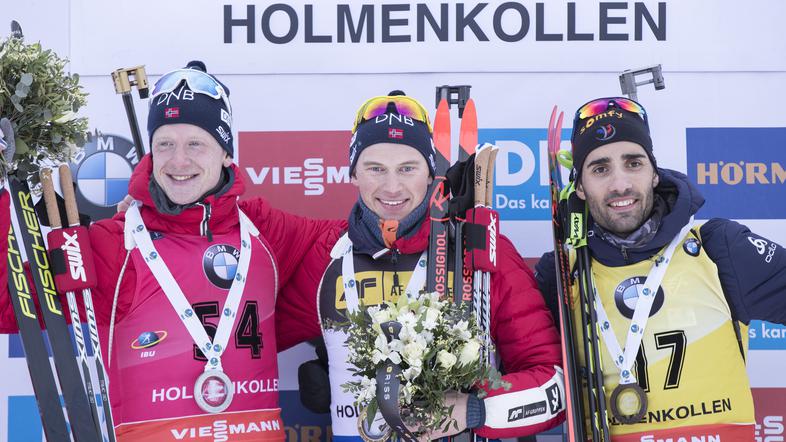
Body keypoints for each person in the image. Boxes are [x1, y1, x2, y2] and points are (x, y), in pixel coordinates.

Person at [0, 61, 343, 440]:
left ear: (226, 153)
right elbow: (8, 305)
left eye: (196, 143)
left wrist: (387, 149)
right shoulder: (116, 244)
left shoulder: (265, 231)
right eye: (165, 144)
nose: (179, 161)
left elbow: (356, 246)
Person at [276, 91, 566, 440]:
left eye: (407, 168)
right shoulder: (327, 257)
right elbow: (244, 343)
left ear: (430, 174)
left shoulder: (481, 250)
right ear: (353, 174)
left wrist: (476, 410)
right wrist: (327, 357)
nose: (392, 186)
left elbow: (554, 388)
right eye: (375, 169)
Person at [535, 97, 786, 441]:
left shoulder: (718, 248)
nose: (620, 184)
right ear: (579, 186)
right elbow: (528, 379)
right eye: (600, 169)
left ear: (654, 173)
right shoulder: (561, 274)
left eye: (634, 163)